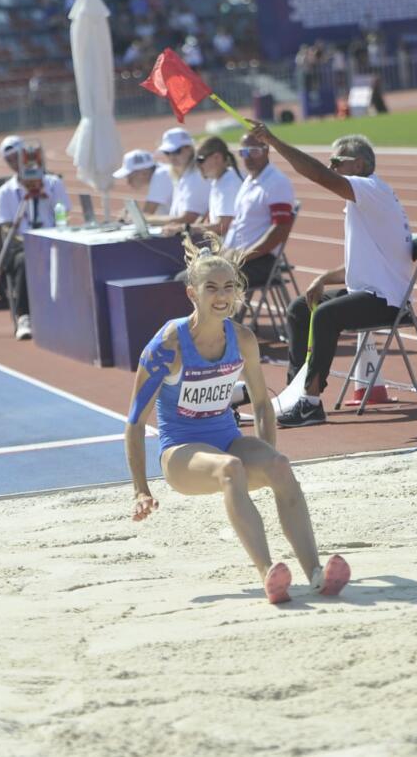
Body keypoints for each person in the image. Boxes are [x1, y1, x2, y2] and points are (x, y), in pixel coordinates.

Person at [123, 233, 351, 605]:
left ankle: (315, 573)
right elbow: (134, 421)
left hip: (228, 439)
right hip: (181, 453)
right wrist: (140, 490)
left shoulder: (242, 339)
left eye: (229, 287)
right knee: (230, 467)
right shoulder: (168, 346)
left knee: (278, 464)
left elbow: (262, 404)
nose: (222, 296)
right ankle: (268, 575)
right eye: (211, 288)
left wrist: (265, 452)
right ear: (192, 294)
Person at [245, 123, 412, 428]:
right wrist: (324, 278)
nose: (331, 167)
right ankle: (296, 391)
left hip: (387, 300)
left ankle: (310, 405)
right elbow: (370, 262)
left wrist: (273, 141)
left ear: (358, 164)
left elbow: (318, 175)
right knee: (299, 308)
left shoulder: (370, 189)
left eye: (337, 162)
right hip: (369, 291)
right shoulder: (364, 199)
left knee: (324, 315)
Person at [0, 142, 71, 341]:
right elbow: (5, 227)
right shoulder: (4, 192)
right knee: (23, 260)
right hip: (20, 245)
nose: (14, 163)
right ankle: (24, 316)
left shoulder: (53, 184)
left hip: (53, 240)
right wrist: (27, 240)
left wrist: (45, 196)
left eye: (16, 158)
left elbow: (63, 215)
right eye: (9, 159)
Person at [213, 129, 295, 290]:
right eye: (244, 152)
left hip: (260, 261)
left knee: (204, 281)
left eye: (254, 151)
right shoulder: (249, 180)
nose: (248, 157)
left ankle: (221, 316)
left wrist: (242, 257)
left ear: (267, 150)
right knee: (190, 274)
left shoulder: (276, 183)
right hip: (237, 257)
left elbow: (280, 230)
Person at [145, 127, 209, 228]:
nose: (172, 157)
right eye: (167, 153)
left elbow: (188, 218)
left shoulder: (197, 176)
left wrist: (146, 219)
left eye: (177, 151)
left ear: (189, 148)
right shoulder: (183, 175)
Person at [185, 136, 242, 238]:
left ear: (217, 158)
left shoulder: (230, 183)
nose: (197, 165)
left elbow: (222, 227)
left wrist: (185, 229)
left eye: (200, 160)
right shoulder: (219, 180)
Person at [113, 148, 173, 216]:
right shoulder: (162, 172)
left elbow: (147, 214)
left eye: (130, 177)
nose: (128, 182)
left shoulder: (161, 175)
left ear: (143, 173)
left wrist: (130, 217)